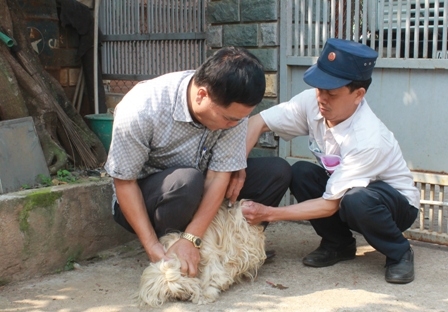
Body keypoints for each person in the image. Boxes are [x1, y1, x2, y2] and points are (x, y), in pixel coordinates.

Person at [240, 38, 420, 284]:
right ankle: (339, 244)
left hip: (393, 204)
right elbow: (257, 122)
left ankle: (399, 252)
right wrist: (238, 169)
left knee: (357, 199)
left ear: (358, 95)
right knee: (301, 172)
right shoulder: (312, 102)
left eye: (331, 93)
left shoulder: (368, 138)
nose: (322, 98)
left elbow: (330, 205)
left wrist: (268, 213)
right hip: (349, 192)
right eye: (319, 88)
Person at [104, 47, 291, 278]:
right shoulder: (141, 109)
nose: (235, 125)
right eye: (229, 119)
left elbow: (217, 176)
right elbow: (124, 182)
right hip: (150, 197)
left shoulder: (233, 110)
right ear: (201, 95)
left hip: (199, 185)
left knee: (277, 171)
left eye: (240, 119)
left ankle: (227, 249)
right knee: (186, 182)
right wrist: (152, 246)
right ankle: (171, 251)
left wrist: (192, 237)